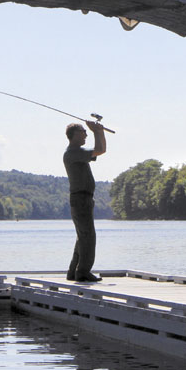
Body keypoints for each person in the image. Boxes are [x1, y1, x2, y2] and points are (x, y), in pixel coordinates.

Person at [63, 120, 106, 282]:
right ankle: (83, 272)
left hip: (82, 198)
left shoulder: (76, 152)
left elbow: (100, 150)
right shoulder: (73, 153)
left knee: (83, 236)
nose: (86, 134)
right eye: (83, 131)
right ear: (74, 135)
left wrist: (98, 131)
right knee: (88, 236)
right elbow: (100, 150)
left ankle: (73, 271)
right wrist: (97, 131)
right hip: (81, 199)